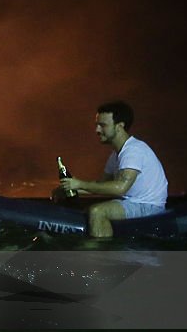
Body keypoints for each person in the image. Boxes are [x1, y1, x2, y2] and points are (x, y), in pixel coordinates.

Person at [59, 101, 167, 238]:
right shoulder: (116, 155)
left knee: (98, 211)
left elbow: (120, 188)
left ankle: (100, 256)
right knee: (88, 212)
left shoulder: (133, 151)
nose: (97, 130)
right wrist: (69, 188)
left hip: (149, 206)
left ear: (119, 126)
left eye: (102, 125)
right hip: (131, 202)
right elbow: (100, 185)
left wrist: (80, 184)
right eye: (97, 125)